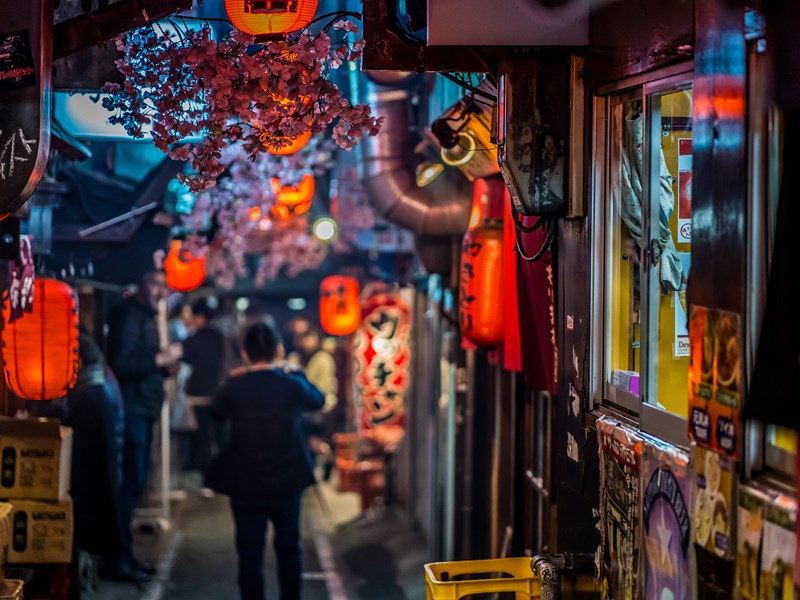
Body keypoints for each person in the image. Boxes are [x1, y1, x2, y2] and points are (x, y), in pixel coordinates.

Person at [210, 321, 324, 600]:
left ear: (245, 354)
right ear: (278, 351)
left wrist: (233, 378)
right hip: (286, 481)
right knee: (289, 551)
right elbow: (318, 400)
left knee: (249, 554)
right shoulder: (290, 383)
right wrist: (296, 371)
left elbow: (215, 412)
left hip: (246, 482)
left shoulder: (235, 386)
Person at [105, 271, 183, 578]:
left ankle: (126, 553)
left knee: (136, 484)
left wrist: (164, 368)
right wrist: (158, 362)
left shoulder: (148, 317)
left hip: (146, 407)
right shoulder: (129, 317)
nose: (160, 291)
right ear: (139, 285)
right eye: (154, 283)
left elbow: (144, 362)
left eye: (163, 285)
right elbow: (121, 365)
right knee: (129, 483)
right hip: (133, 409)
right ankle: (118, 559)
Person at [65, 333, 142, 584]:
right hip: (113, 464)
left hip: (106, 469)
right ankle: (120, 560)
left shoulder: (91, 392)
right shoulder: (101, 380)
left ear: (79, 361)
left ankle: (117, 561)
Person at [181, 296, 227, 497]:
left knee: (203, 439)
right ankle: (223, 479)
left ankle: (208, 482)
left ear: (200, 316)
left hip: (199, 395)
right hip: (218, 394)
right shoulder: (220, 337)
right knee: (220, 438)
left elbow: (183, 356)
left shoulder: (194, 339)